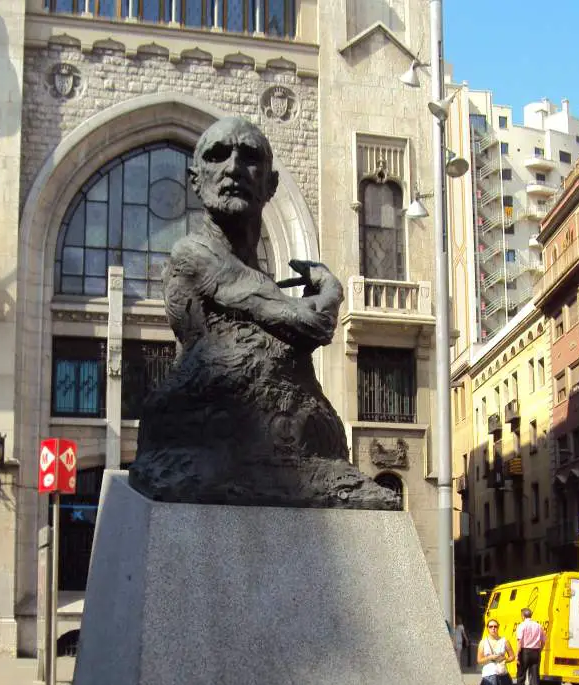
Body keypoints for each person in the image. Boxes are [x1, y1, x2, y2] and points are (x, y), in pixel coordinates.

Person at [129, 116, 397, 511]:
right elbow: (314, 324)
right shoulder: (194, 254)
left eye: (249, 157)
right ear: (196, 180)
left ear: (270, 185)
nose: (233, 168)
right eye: (217, 156)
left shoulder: (257, 276)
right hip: (209, 434)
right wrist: (331, 290)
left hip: (289, 439)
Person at [515, 607, 546, 685]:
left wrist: (516, 654)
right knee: (535, 677)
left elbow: (519, 642)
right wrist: (539, 649)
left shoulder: (522, 626)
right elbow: (544, 641)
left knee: (521, 675)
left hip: (525, 651)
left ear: (523, 616)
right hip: (536, 652)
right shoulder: (538, 625)